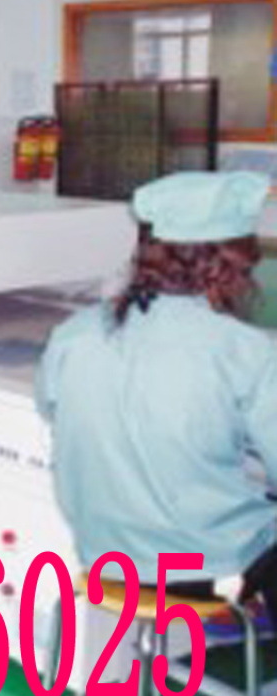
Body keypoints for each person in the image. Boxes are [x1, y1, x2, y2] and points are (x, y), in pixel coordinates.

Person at [35, 171, 277, 622]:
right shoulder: (247, 352)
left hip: (106, 560)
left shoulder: (74, 333)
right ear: (231, 266)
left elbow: (52, 408)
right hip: (210, 571)